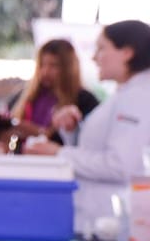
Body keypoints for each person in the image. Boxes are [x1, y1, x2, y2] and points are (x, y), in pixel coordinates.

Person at [25, 20, 150, 228]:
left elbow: (119, 166)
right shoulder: (126, 94)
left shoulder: (137, 98)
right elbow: (104, 149)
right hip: (99, 217)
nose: (94, 57)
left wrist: (58, 153)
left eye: (101, 48)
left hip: (109, 220)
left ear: (127, 53)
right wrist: (73, 130)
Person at [6, 38, 99, 143]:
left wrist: (40, 132)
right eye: (42, 64)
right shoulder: (22, 97)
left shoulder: (84, 100)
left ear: (68, 68)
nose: (45, 71)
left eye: (53, 65)